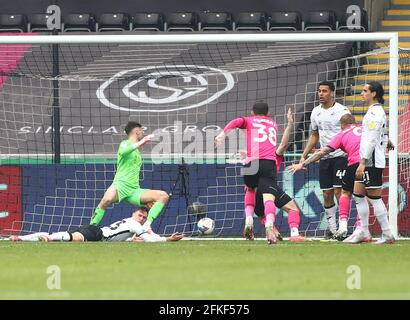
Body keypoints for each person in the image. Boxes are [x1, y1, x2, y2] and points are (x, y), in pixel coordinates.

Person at [215, 102, 304, 244]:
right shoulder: (273, 125)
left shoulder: (250, 120)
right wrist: (289, 125)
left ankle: (249, 220)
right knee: (271, 197)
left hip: (250, 164)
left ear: (252, 112)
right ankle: (273, 225)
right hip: (267, 167)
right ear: (268, 113)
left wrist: (221, 134)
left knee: (250, 188)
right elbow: (282, 145)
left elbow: (237, 122)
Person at [287, 114, 362, 241]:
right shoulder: (364, 128)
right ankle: (350, 229)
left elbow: (322, 152)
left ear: (342, 126)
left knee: (345, 193)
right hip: (372, 162)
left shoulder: (342, 134)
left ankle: (345, 228)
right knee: (368, 197)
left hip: (352, 162)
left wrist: (302, 164)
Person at [90, 121, 169, 232]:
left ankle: (147, 225)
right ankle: (90, 227)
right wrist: (141, 142)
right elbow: (123, 152)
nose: (142, 133)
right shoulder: (125, 143)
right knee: (106, 199)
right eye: (141, 131)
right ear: (137, 131)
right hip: (120, 186)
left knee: (163, 196)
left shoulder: (137, 152)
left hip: (133, 190)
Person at [299, 81, 351, 239]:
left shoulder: (342, 111)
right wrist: (304, 154)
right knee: (327, 194)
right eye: (319, 91)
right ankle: (333, 230)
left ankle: (343, 229)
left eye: (325, 91)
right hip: (324, 158)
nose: (321, 94)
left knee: (338, 192)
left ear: (332, 93)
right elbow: (314, 135)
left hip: (341, 156)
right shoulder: (315, 112)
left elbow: (349, 133)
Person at [350, 82, 395, 244]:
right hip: (369, 159)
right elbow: (379, 133)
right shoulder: (374, 112)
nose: (362, 93)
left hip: (371, 161)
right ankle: (364, 232)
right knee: (358, 194)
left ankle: (387, 233)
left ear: (374, 94)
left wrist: (363, 162)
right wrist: (387, 139)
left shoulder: (375, 113)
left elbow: (372, 138)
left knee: (375, 198)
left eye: (365, 91)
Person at [9, 207, 184, 242]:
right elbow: (149, 239)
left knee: (64, 236)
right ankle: (45, 238)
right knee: (72, 238)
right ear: (134, 214)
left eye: (144, 218)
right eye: (140, 215)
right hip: (98, 235)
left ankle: (21, 238)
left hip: (95, 231)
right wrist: (168, 239)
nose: (142, 219)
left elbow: (136, 239)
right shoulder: (134, 224)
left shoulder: (131, 224)